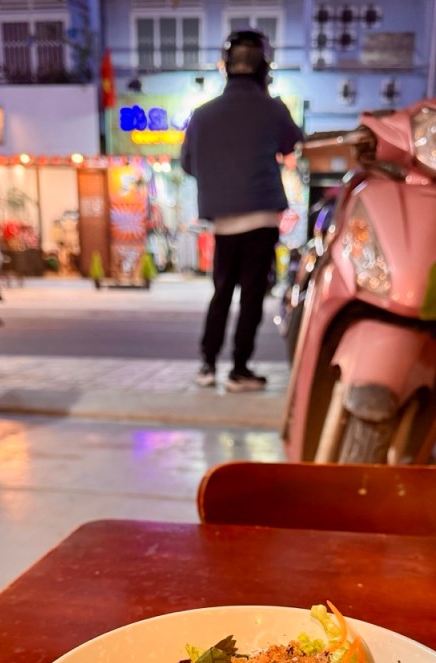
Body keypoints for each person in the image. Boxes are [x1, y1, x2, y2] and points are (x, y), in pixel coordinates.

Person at [181, 30, 304, 392]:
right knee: (251, 296)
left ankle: (207, 365)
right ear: (264, 67)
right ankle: (239, 369)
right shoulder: (273, 108)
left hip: (223, 220)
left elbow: (188, 163)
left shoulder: (202, 114)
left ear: (226, 66)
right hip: (262, 216)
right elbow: (292, 143)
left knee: (221, 292)